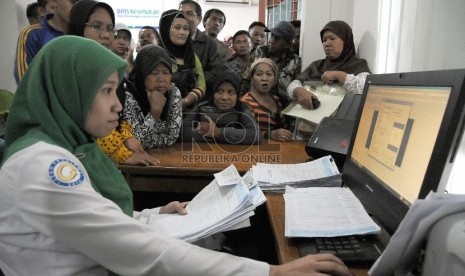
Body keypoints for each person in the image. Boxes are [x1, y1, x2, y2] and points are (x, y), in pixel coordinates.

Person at [0, 35, 352, 276]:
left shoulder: (64, 147)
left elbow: (96, 221)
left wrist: (151, 214)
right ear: (67, 91)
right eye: (106, 91)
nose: (117, 104)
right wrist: (272, 271)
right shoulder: (44, 166)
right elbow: (136, 250)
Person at [68, 0, 157, 166]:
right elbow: (88, 122)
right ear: (79, 27)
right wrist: (122, 154)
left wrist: (127, 137)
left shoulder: (108, 66)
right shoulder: (70, 67)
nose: (106, 35)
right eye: (96, 26)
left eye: (110, 29)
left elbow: (116, 114)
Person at [287, 20, 372, 109]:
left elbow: (368, 88)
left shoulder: (357, 64)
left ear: (346, 40)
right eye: (324, 40)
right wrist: (298, 91)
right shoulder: (317, 65)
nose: (327, 44)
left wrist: (338, 75)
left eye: (332, 38)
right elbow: (294, 83)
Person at [122, 45, 183, 148]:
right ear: (142, 74)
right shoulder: (128, 94)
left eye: (166, 72)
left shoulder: (173, 92)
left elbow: (171, 138)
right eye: (154, 73)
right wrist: (154, 113)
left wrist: (148, 140)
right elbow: (135, 144)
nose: (161, 79)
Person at [182, 71, 260, 145]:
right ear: (213, 93)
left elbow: (256, 135)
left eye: (230, 92)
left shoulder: (242, 108)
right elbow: (182, 131)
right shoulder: (201, 108)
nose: (224, 97)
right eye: (219, 91)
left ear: (237, 95)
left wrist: (218, 132)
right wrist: (212, 134)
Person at [14, 0, 77, 84]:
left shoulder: (83, 32)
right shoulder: (32, 34)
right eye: (73, 1)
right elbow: (25, 81)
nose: (78, 7)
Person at [158, 9, 206, 110]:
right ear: (165, 29)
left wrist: (186, 101)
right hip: (159, 111)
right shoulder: (156, 55)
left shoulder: (192, 57)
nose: (183, 32)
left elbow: (201, 85)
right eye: (177, 27)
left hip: (188, 112)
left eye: (186, 28)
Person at [179, 0, 226, 92]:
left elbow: (216, 72)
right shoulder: (169, 40)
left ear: (199, 19)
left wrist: (191, 78)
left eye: (189, 13)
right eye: (180, 13)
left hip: (200, 97)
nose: (183, 17)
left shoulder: (210, 44)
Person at [241, 58, 292, 142]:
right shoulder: (246, 102)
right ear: (252, 78)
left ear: (274, 79)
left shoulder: (276, 99)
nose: (264, 78)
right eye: (259, 74)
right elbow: (246, 133)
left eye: (269, 74)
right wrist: (270, 134)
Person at [255, 21, 303, 108]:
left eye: (276, 38)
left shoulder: (295, 61)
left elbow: (294, 88)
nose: (271, 40)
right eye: (272, 36)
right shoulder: (260, 52)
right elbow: (247, 79)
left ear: (287, 43)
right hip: (256, 103)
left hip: (282, 109)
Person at [225, 30, 254, 95]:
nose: (242, 45)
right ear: (233, 47)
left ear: (251, 45)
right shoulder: (227, 67)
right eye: (238, 42)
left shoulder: (258, 64)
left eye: (245, 41)